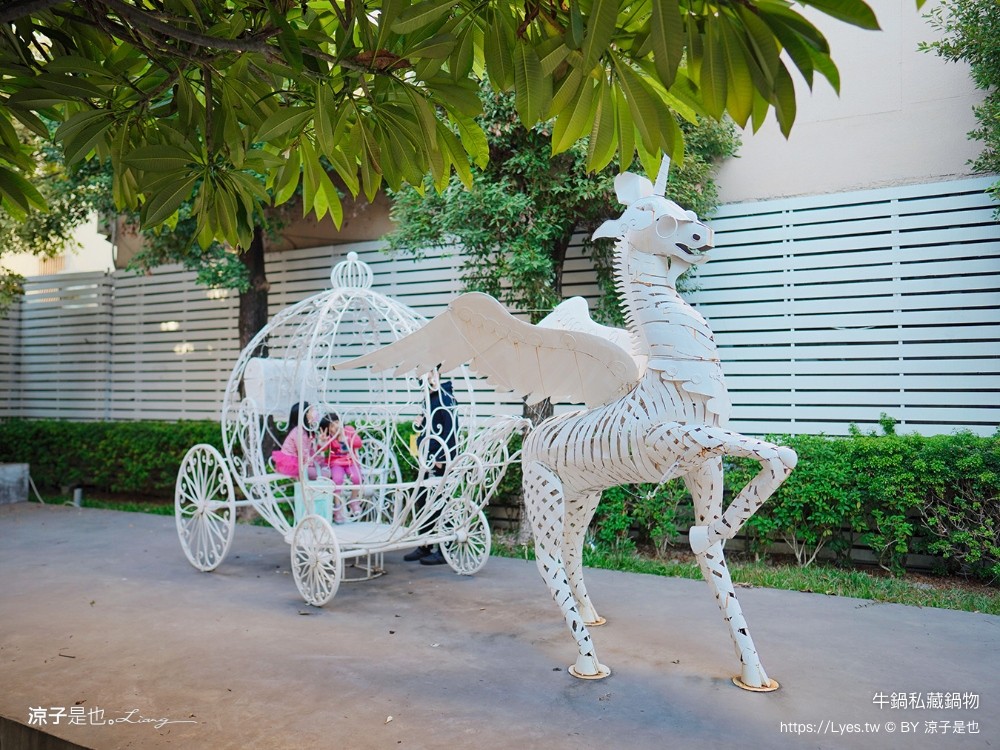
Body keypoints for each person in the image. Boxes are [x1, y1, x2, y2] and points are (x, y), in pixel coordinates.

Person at [404, 368, 459, 565]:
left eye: (429, 373)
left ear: (437, 374)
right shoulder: (428, 398)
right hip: (426, 459)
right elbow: (426, 428)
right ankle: (425, 544)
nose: (425, 378)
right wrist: (418, 425)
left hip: (441, 459)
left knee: (441, 502)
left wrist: (442, 455)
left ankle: (446, 549)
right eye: (422, 375)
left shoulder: (446, 397)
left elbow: (451, 430)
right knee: (422, 500)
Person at [319, 413, 363, 522]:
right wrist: (323, 441)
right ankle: (337, 508)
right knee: (337, 480)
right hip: (336, 463)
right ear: (329, 429)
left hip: (350, 461)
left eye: (337, 423)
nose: (336, 427)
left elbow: (358, 443)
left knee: (357, 478)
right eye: (332, 426)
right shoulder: (330, 437)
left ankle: (353, 501)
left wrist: (346, 438)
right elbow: (322, 450)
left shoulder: (348, 429)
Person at [271, 401, 328, 479]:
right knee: (326, 474)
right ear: (304, 414)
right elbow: (303, 453)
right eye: (311, 410)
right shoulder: (299, 432)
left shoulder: (305, 431)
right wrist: (312, 463)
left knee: (324, 468)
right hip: (293, 465)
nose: (314, 412)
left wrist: (321, 443)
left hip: (302, 462)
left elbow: (309, 450)